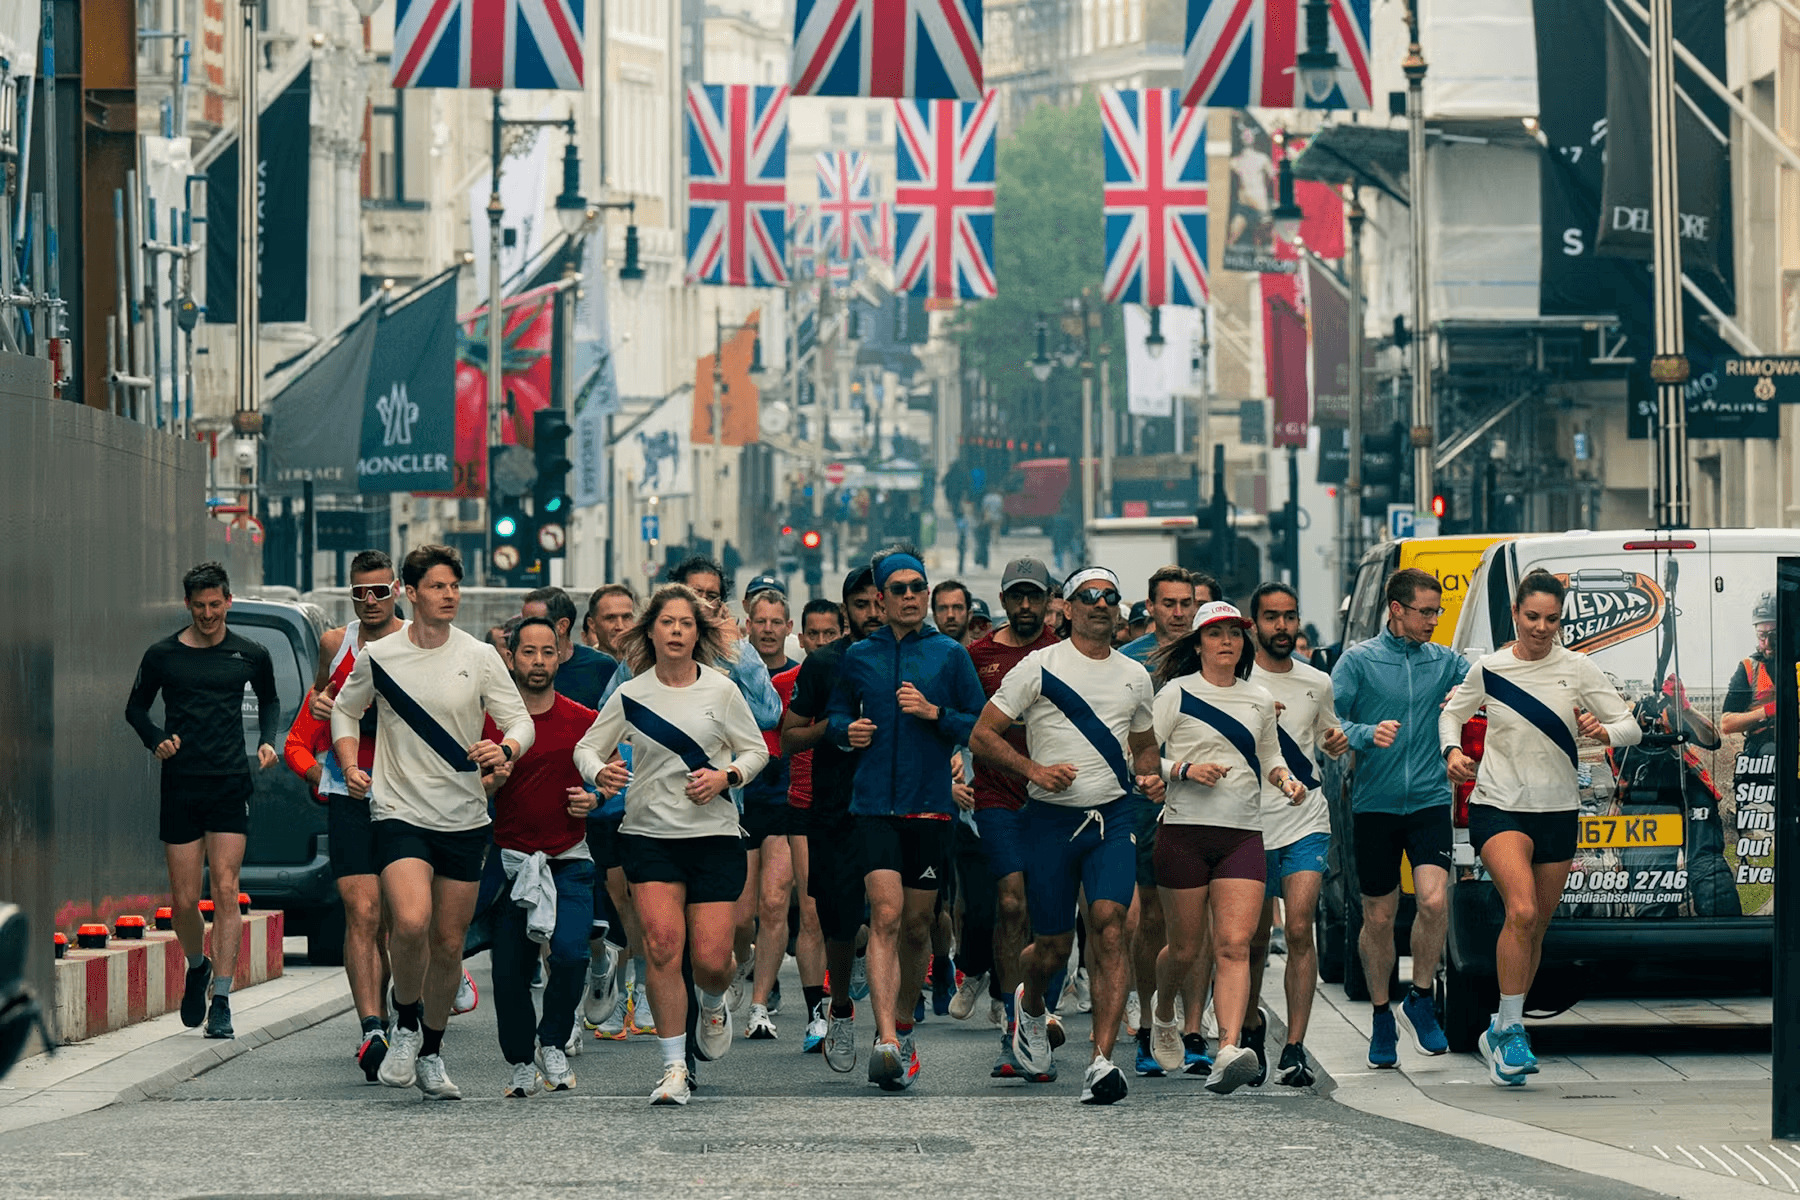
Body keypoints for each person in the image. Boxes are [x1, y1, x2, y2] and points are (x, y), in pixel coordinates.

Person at [330, 545, 536, 1101]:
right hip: (398, 811)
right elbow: (346, 708)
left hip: (465, 818)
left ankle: (431, 1052)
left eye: (454, 586)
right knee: (412, 923)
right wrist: (351, 763)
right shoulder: (382, 655)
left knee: (448, 944)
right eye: (439, 586)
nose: (449, 596)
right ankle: (403, 1022)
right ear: (411, 592)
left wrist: (506, 747)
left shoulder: (480, 655)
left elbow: (518, 719)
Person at [971, 566, 1162, 1105]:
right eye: (1089, 597)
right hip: (1051, 821)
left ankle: (1101, 1062)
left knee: (1109, 927)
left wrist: (1148, 773)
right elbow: (982, 735)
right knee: (1051, 947)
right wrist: (1034, 772)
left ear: (1119, 609)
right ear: (1068, 608)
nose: (1101, 604)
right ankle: (1030, 1009)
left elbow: (1143, 743)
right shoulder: (1040, 666)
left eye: (1110, 597)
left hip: (1113, 818)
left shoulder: (1134, 675)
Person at [1441, 570, 1641, 1086]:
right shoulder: (1490, 668)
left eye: (1551, 619)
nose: (1541, 627)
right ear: (1516, 613)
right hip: (1498, 805)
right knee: (1522, 909)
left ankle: (1502, 1028)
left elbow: (1631, 726)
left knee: (1536, 929)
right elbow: (1452, 715)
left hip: (1557, 810)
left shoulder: (1576, 668)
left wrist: (1604, 729)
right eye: (1533, 617)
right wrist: (1453, 751)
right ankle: (1510, 1032)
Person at [574, 584, 769, 1106]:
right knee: (661, 947)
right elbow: (587, 747)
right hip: (649, 837)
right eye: (668, 623)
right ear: (651, 632)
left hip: (713, 837)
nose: (677, 631)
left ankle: (713, 1001)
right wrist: (601, 772)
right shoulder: (630, 694)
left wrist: (726, 776)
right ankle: (673, 1067)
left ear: (697, 633)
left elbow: (756, 752)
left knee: (710, 960)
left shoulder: (722, 690)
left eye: (686, 623)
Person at [826, 546, 986, 1090]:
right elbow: (838, 716)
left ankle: (906, 1024)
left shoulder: (948, 655)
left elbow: (979, 723)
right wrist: (847, 732)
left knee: (919, 926)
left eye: (919, 587)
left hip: (930, 809)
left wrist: (934, 713)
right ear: (880, 597)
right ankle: (885, 1040)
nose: (912, 596)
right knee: (887, 916)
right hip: (872, 806)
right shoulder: (859, 656)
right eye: (900, 589)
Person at [1149, 601, 1309, 1094]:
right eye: (1215, 634)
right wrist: (1184, 770)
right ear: (1197, 643)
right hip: (1183, 832)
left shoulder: (1258, 699)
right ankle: (1161, 1013)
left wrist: (1286, 781)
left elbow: (1271, 757)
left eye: (1235, 635)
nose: (1227, 642)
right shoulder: (1175, 694)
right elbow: (1144, 756)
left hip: (1242, 834)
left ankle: (1228, 1048)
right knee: (1184, 947)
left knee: (1234, 946)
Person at [126, 561, 281, 1041]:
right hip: (181, 783)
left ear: (228, 601)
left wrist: (268, 740)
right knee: (185, 901)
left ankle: (224, 1001)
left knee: (228, 889)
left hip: (230, 780)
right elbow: (135, 708)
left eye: (216, 605)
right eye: (200, 606)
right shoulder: (163, 655)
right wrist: (156, 739)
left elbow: (270, 700)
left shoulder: (250, 653)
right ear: (187, 606)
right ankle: (198, 964)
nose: (209, 614)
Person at [1330, 567, 1465, 1068]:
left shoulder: (1446, 662)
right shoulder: (1359, 662)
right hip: (1374, 805)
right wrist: (1365, 734)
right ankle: (1382, 1016)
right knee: (1379, 917)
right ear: (1397, 610)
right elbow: (1331, 722)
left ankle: (1422, 998)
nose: (1433, 620)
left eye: (1437, 611)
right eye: (1426, 611)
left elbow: (1483, 693)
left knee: (1432, 901)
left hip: (1429, 799)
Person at [282, 550, 405, 1077]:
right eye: (361, 593)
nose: (371, 601)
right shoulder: (336, 644)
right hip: (349, 795)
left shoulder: (416, 643)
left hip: (407, 795)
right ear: (350, 594)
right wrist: (323, 775)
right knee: (363, 913)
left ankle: (411, 1009)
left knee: (404, 921)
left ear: (397, 589)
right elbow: (303, 730)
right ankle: (372, 1029)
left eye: (380, 590)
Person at [481, 617, 598, 1098]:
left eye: (547, 652)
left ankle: (552, 1040)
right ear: (510, 658)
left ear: (560, 655)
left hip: (570, 858)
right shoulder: (490, 723)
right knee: (509, 973)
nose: (537, 661)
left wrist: (595, 800)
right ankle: (518, 1064)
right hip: (510, 863)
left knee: (571, 954)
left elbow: (610, 779)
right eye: (527, 652)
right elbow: (465, 792)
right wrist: (490, 784)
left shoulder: (583, 719)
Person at [1243, 583, 1349, 1089]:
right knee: (1252, 939)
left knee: (1301, 927)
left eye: (1289, 617)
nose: (1282, 627)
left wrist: (1335, 741)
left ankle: (1294, 1048)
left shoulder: (1316, 682)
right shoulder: (1237, 681)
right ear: (1254, 624)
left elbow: (1329, 740)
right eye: (1271, 618)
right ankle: (1251, 1025)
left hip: (1305, 818)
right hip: (1247, 823)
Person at [780, 568, 884, 1074]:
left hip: (897, 805)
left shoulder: (913, 657)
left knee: (898, 915)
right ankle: (839, 1008)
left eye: (877, 602)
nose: (872, 612)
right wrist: (834, 730)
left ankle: (893, 1034)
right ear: (847, 612)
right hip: (835, 806)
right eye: (860, 604)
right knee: (839, 919)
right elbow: (789, 737)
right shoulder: (823, 664)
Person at [962, 557, 1059, 1076]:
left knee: (1050, 912)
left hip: (1055, 800)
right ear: (1002, 601)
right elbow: (963, 721)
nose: (1025, 606)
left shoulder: (1063, 654)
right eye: (1016, 597)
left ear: (1048, 601)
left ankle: (1038, 1012)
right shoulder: (978, 656)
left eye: (1034, 597)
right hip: (997, 794)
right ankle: (1008, 1017)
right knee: (1011, 901)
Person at [1118, 565, 1209, 1076]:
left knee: (1203, 922)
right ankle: (1152, 1027)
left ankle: (1192, 1030)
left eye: (1186, 603)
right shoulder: (1129, 663)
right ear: (1149, 607)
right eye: (1168, 604)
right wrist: (1141, 775)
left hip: (1209, 800)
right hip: (1147, 801)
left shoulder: (1215, 654)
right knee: (1152, 918)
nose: (1178, 613)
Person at [777, 599, 845, 1053]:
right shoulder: (786, 682)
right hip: (802, 802)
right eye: (813, 634)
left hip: (851, 803)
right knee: (812, 909)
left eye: (829, 633)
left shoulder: (857, 671)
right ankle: (816, 1014)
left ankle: (849, 964)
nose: (821, 642)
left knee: (855, 915)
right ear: (800, 638)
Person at [739, 588, 799, 1039]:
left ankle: (760, 1003)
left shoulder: (800, 676)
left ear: (788, 628)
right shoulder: (732, 677)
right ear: (747, 626)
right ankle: (734, 974)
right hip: (739, 800)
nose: (768, 629)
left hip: (783, 798)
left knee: (775, 902)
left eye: (776, 622)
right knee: (741, 916)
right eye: (760, 621)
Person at [522, 586, 615, 709]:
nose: (525, 630)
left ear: (562, 626)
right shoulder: (518, 668)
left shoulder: (602, 667)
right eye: (523, 623)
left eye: (534, 623)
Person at [1722, 592, 1779, 756]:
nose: (1767, 644)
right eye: (1762, 636)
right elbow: (1726, 724)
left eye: (1773, 635)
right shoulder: (1748, 667)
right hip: (1763, 745)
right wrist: (1768, 711)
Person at [931, 580, 974, 644]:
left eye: (957, 608)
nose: (950, 615)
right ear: (934, 616)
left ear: (969, 614)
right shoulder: (923, 653)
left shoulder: (985, 653)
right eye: (942, 609)